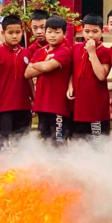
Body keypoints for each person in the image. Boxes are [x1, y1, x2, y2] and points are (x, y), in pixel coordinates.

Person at [26, 16, 73, 145]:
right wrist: (43, 63)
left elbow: (46, 67)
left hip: (58, 105)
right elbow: (27, 73)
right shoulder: (40, 51)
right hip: (42, 104)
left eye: (57, 32)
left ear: (64, 34)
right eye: (49, 32)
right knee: (45, 141)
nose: (52, 35)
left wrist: (38, 65)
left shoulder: (65, 51)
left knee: (58, 142)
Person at [0, 15, 34, 149]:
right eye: (10, 33)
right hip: (4, 107)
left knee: (23, 142)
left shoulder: (26, 53)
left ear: (22, 31)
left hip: (24, 106)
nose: (14, 36)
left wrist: (34, 99)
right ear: (3, 33)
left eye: (18, 32)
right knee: (3, 142)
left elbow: (29, 79)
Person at [67, 14, 112, 140]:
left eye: (95, 31)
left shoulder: (105, 52)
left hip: (97, 109)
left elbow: (101, 75)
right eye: (87, 31)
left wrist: (92, 52)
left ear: (102, 32)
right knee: (78, 144)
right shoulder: (76, 48)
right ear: (82, 31)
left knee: (98, 145)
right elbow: (71, 71)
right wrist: (70, 86)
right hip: (78, 108)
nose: (91, 35)